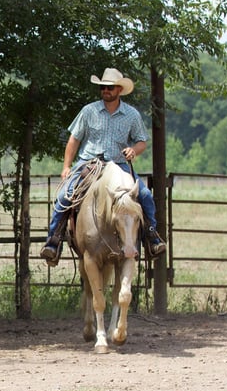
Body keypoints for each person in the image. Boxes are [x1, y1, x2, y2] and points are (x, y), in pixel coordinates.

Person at [40, 68, 166, 265]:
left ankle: (152, 237)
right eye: (103, 87)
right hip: (89, 163)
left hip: (119, 165)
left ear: (119, 90)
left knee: (145, 196)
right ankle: (53, 242)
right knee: (64, 194)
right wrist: (66, 167)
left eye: (109, 87)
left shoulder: (131, 115)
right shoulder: (89, 111)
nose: (105, 90)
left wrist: (134, 150)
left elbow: (142, 141)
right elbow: (74, 140)